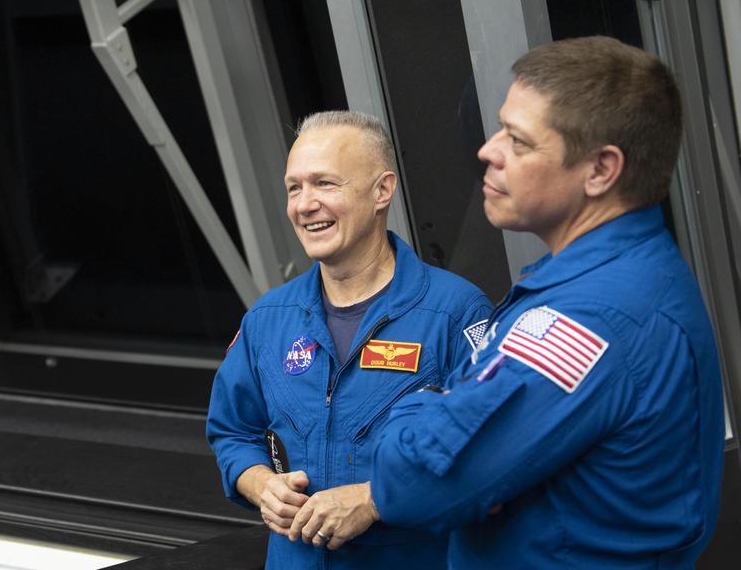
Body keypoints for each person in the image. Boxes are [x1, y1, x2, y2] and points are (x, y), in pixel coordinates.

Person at [294, 37, 725, 567]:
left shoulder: (591, 316)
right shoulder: (610, 281)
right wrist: (454, 407)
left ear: (601, 170)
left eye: (518, 142)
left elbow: (415, 478)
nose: (488, 150)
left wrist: (419, 401)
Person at [206, 111, 491, 569]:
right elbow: (232, 431)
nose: (304, 204)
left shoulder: (455, 313)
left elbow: (489, 457)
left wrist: (374, 499)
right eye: (294, 187)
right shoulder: (268, 318)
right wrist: (259, 483)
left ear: (382, 191)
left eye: (325, 184)